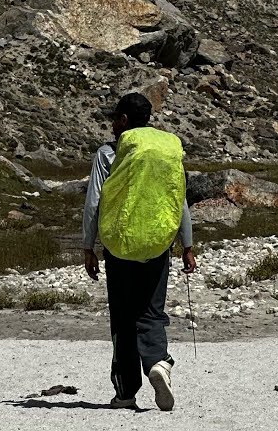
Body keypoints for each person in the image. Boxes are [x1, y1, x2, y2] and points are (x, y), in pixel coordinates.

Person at [83, 93, 197, 412]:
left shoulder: (109, 153)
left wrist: (88, 247)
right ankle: (159, 362)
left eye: (114, 117)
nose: (111, 123)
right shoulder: (165, 151)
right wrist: (187, 245)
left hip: (119, 246)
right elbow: (179, 200)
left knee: (123, 317)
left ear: (123, 121)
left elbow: (94, 203)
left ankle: (126, 392)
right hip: (158, 245)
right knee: (151, 311)